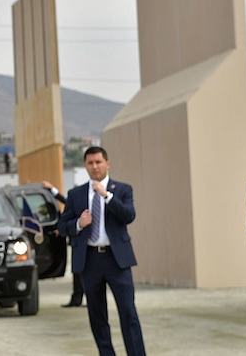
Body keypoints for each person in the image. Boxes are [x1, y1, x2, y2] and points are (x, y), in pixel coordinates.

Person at [58, 146, 146, 356]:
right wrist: (78, 223)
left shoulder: (123, 190)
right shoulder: (75, 194)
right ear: (85, 166)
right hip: (90, 261)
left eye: (98, 162)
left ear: (107, 163)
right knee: (97, 316)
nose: (95, 166)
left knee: (128, 312)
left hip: (117, 261)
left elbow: (129, 215)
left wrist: (107, 196)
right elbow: (62, 226)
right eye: (90, 163)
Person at [42, 180, 84, 308]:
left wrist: (53, 189)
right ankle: (77, 298)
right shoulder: (78, 203)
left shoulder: (82, 204)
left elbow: (64, 200)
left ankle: (79, 298)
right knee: (77, 272)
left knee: (81, 272)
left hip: (81, 242)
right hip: (76, 242)